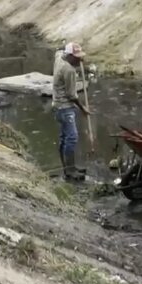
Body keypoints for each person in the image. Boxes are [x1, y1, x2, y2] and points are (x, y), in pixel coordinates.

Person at [52, 42, 90, 182]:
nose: (79, 60)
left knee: (64, 137)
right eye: (77, 57)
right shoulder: (68, 70)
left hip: (57, 105)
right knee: (72, 137)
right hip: (65, 107)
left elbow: (58, 50)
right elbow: (71, 95)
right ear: (69, 56)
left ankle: (68, 168)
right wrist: (83, 108)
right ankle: (70, 171)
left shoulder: (59, 57)